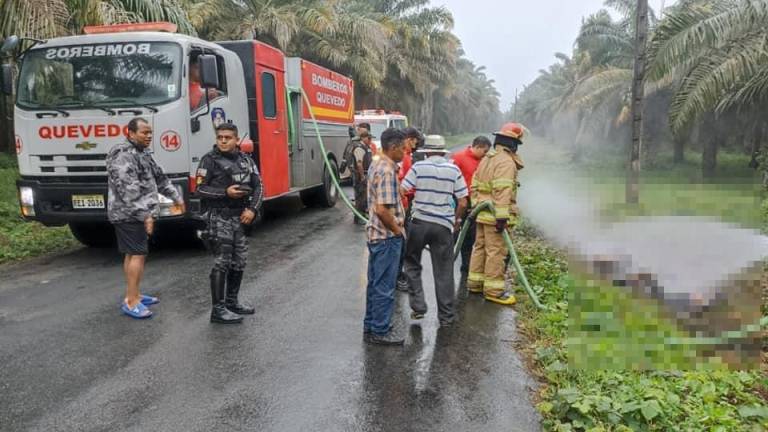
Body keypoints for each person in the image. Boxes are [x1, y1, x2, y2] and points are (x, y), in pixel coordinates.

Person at [107, 117, 184, 319]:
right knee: (137, 254)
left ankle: (136, 294)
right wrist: (145, 215)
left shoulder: (143, 153)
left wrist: (176, 197)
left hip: (137, 213)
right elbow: (128, 189)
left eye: (150, 132)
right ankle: (131, 302)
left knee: (133, 254)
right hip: (128, 214)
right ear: (130, 133)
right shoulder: (122, 155)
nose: (149, 136)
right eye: (144, 132)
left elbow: (159, 176)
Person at [195, 123, 264, 324]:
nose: (223, 141)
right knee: (222, 262)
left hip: (240, 218)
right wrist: (225, 192)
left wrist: (252, 209)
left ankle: (232, 302)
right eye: (220, 137)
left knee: (239, 261)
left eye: (228, 137)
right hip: (219, 218)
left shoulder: (246, 160)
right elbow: (199, 190)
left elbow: (259, 186)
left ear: (236, 140)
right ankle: (218, 310)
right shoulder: (209, 161)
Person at [401, 135, 468, 327]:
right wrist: (456, 220)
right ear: (442, 151)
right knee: (444, 271)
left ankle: (418, 307)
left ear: (427, 151)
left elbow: (403, 190)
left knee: (412, 263)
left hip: (419, 223)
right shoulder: (453, 169)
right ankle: (446, 317)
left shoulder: (418, 167)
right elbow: (463, 200)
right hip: (443, 226)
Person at [467, 123, 525, 306]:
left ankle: (475, 284)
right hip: (495, 217)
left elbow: (474, 184)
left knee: (480, 247)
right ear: (512, 143)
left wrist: (476, 205)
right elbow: (502, 190)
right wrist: (501, 218)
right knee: (496, 252)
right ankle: (493, 291)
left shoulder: (487, 158)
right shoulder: (506, 162)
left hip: (482, 213)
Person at [363, 128, 407, 345]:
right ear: (393, 147)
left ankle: (371, 325)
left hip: (375, 236)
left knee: (375, 283)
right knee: (385, 287)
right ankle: (380, 331)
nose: (406, 152)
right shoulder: (387, 171)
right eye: (404, 148)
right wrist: (398, 231)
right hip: (386, 238)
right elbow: (382, 210)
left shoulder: (377, 164)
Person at [451, 136, 492, 278]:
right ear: (478, 147)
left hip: (475, 203)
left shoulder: (484, 161)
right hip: (459, 200)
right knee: (455, 231)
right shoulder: (459, 157)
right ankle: (447, 260)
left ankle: (466, 265)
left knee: (470, 235)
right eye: (484, 151)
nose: (486, 154)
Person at [395, 127, 424, 292]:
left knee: (404, 241)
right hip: (402, 204)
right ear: (408, 139)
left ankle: (398, 275)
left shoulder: (407, 156)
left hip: (406, 203)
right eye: (414, 140)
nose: (415, 144)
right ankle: (398, 276)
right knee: (401, 241)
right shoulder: (402, 157)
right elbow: (400, 183)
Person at [350, 130, 374, 225]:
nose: (370, 140)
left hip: (365, 174)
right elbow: (359, 164)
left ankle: (363, 214)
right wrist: (362, 177)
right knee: (360, 197)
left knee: (364, 197)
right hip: (360, 175)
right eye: (369, 138)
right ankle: (358, 217)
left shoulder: (366, 147)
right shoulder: (359, 148)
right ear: (363, 138)